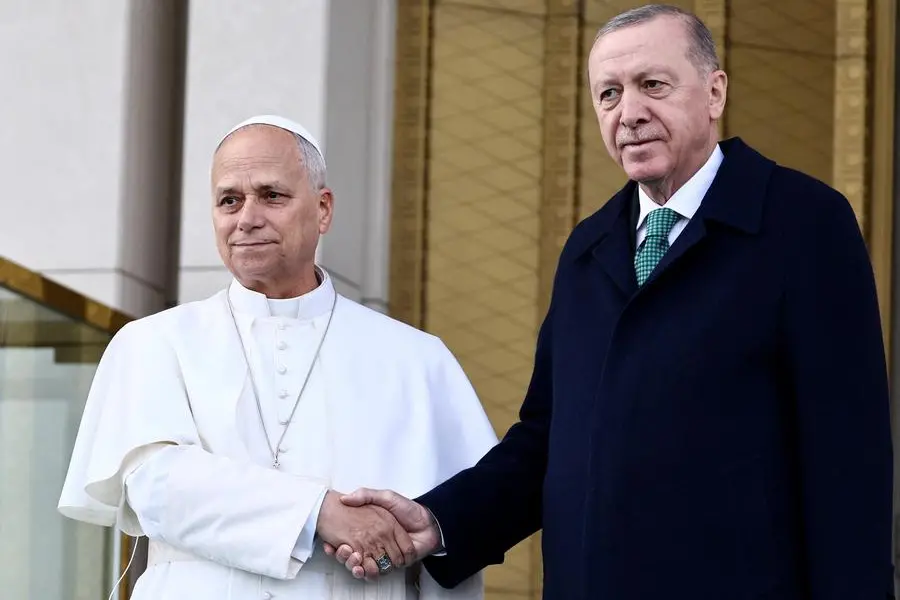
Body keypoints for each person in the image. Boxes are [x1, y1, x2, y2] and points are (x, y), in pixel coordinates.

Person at [324, 5, 895, 599]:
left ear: (715, 92)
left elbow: (847, 458)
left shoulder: (804, 222)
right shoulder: (588, 248)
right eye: (609, 94)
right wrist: (441, 521)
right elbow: (548, 439)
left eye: (653, 85)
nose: (630, 113)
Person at [57, 114, 497, 599]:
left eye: (271, 196)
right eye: (230, 200)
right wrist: (319, 512)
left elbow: (461, 520)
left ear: (323, 209)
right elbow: (156, 486)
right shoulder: (153, 342)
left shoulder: (417, 360)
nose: (247, 218)